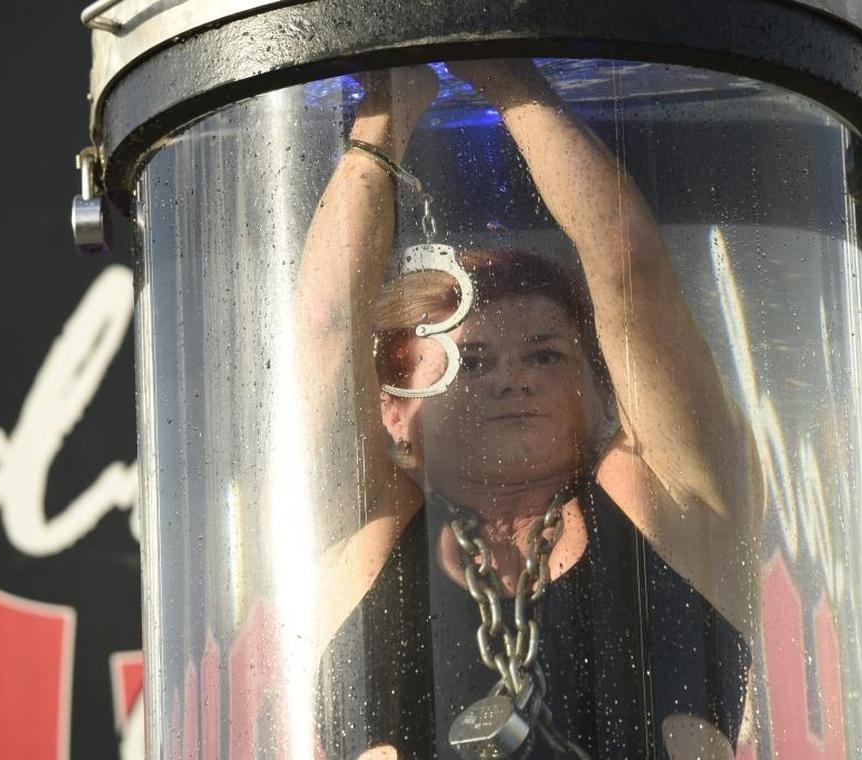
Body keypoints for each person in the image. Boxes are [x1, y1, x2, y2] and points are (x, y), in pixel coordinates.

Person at [299, 59, 761, 759]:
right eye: (471, 361)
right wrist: (387, 113)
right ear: (394, 409)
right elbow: (329, 327)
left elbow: (628, 269)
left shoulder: (661, 504)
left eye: (546, 354)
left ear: (601, 388)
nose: (512, 380)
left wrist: (502, 67)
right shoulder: (366, 537)